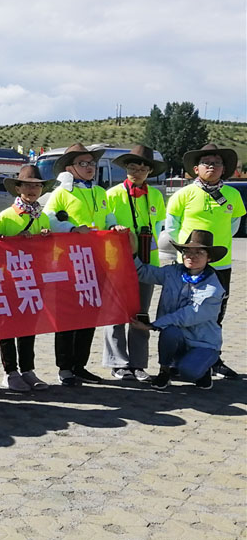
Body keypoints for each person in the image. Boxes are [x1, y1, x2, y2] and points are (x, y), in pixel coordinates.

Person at [43, 143, 124, 387]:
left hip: (97, 261)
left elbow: (107, 215)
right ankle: (65, 367)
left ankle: (81, 365)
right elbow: (49, 219)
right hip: (70, 263)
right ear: (70, 168)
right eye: (83, 164)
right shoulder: (61, 193)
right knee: (68, 317)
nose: (89, 168)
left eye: (91, 163)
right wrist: (71, 229)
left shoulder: (100, 192)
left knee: (89, 315)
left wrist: (113, 226)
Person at [165, 143, 245, 380]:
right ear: (196, 168)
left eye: (217, 163)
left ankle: (213, 360)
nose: (212, 166)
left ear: (224, 168)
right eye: (206, 163)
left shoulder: (232, 195)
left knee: (215, 313)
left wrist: (212, 251)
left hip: (220, 264)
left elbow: (234, 226)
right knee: (185, 313)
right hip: (188, 266)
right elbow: (172, 227)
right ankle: (178, 361)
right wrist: (192, 253)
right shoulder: (183, 194)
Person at [131, 230, 226, 391]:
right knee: (170, 331)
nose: (191, 256)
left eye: (199, 252)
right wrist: (133, 252)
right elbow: (144, 272)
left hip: (202, 343)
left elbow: (186, 316)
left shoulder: (213, 288)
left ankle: (204, 368)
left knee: (188, 372)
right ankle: (164, 371)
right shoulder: (173, 272)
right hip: (178, 337)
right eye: (187, 251)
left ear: (209, 258)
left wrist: (153, 325)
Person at [102, 146, 166, 382]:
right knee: (116, 313)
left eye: (143, 168)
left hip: (148, 262)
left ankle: (138, 363)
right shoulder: (112, 195)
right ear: (125, 169)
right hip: (118, 262)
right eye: (132, 167)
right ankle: (118, 363)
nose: (137, 172)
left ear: (149, 171)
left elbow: (159, 226)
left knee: (141, 314)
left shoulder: (157, 196)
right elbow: (105, 227)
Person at [0, 165, 56, 393]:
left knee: (29, 326)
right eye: (28, 185)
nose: (33, 190)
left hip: (33, 280)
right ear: (18, 188)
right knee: (8, 328)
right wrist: (16, 241)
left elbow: (48, 253)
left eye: (37, 185)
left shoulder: (44, 217)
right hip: (10, 281)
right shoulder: (5, 217)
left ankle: (28, 369)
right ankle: (10, 372)